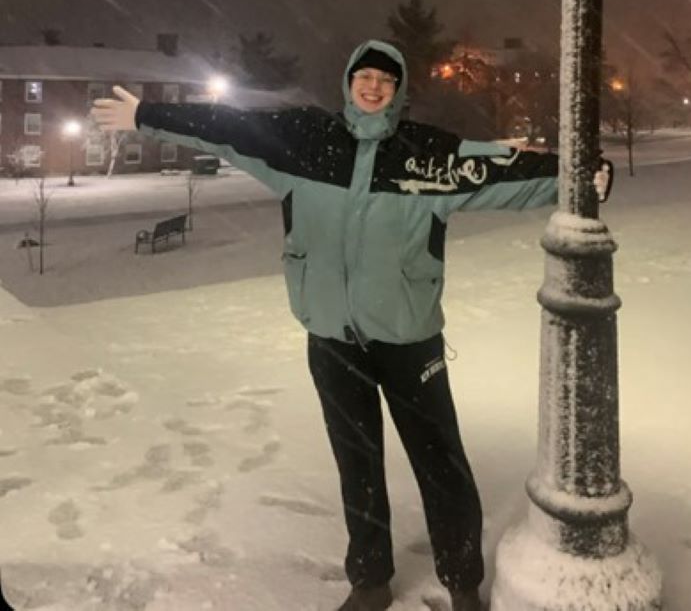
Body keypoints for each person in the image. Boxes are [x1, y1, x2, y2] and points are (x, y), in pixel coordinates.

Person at [92, 40, 598, 611]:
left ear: (399, 89)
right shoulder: (305, 143)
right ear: (349, 82)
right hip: (332, 339)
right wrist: (146, 115)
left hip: (409, 341)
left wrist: (580, 176)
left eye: (387, 78)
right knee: (355, 459)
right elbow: (227, 126)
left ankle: (461, 581)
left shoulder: (423, 155)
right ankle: (371, 579)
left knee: (440, 462)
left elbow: (506, 169)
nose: (374, 86)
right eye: (366, 76)